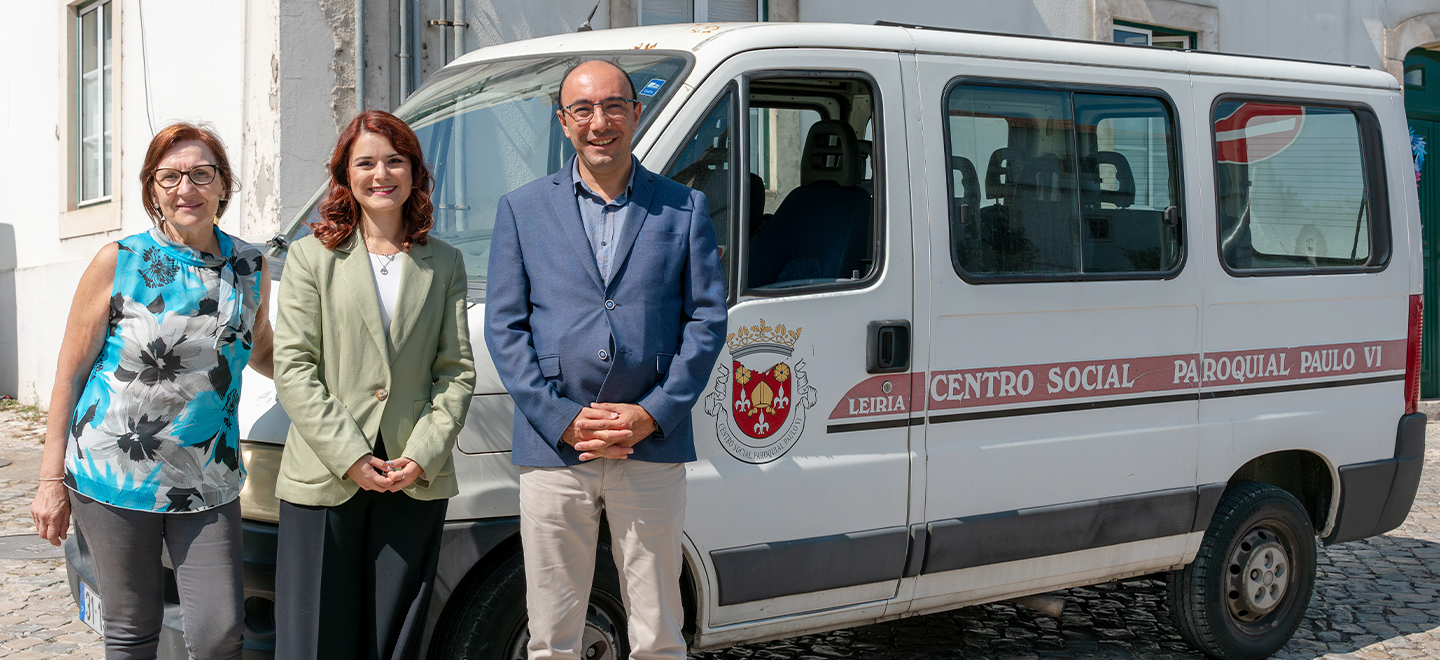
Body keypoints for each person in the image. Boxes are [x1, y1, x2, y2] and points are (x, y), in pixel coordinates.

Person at [485, 60, 727, 660]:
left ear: (636, 113)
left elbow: (706, 320)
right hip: (556, 447)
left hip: (650, 443)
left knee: (657, 630)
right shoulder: (521, 209)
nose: (601, 122)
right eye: (584, 110)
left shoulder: (683, 207)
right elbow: (505, 327)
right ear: (563, 121)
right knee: (551, 632)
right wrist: (561, 417)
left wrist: (653, 412)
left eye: (614, 106)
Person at [29, 122, 273, 659]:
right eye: (171, 176)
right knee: (131, 628)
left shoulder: (250, 267)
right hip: (114, 474)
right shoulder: (118, 261)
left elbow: (262, 350)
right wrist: (50, 480)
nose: (187, 188)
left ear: (223, 186)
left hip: (208, 475)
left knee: (219, 631)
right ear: (153, 189)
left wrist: (336, 379)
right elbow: (70, 374)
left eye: (201, 174)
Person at [272, 109, 475, 660]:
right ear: (346, 175)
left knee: (395, 637)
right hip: (326, 473)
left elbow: (455, 372)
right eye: (365, 162)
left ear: (414, 173)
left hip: (411, 475)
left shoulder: (445, 262)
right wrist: (351, 455)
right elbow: (294, 366)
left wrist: (423, 454)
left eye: (394, 160)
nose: (381, 174)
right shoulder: (312, 258)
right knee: (318, 638)